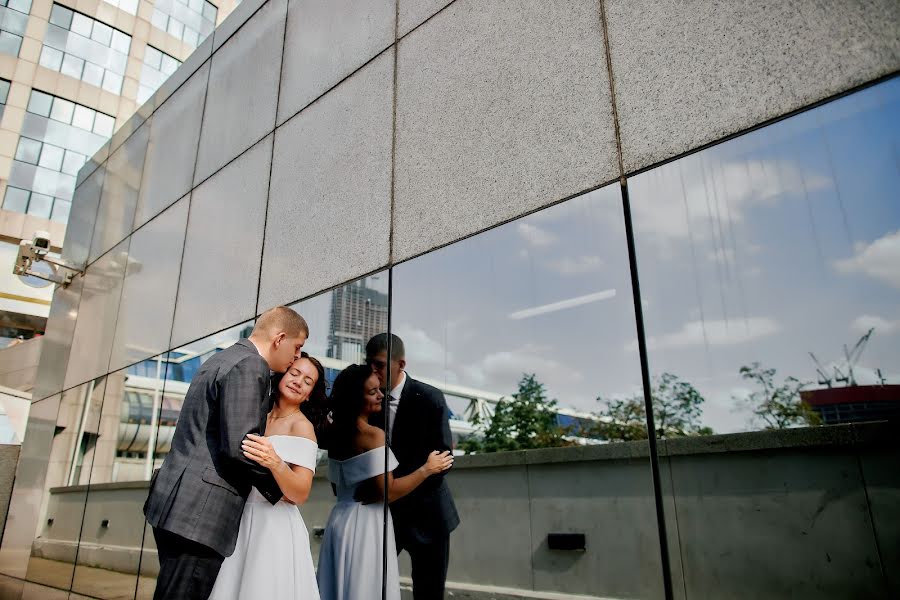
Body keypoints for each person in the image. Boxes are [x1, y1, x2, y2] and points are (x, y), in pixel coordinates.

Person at [143, 306, 309, 600]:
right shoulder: (251, 365)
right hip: (201, 515)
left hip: (175, 504)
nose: (296, 356)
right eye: (297, 347)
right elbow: (240, 447)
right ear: (279, 338)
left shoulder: (220, 358)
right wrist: (280, 490)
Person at [316, 364, 453, 600]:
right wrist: (427, 469)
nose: (381, 394)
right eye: (372, 392)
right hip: (367, 523)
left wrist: (373, 486)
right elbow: (388, 492)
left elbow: (343, 484)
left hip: (340, 520)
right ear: (355, 399)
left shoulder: (335, 432)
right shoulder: (373, 435)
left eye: (379, 389)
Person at [209, 352, 328, 600]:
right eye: (295, 373)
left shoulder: (302, 427)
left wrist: (276, 463)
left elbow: (300, 493)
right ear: (283, 375)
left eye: (308, 381)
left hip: (273, 525)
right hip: (241, 518)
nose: (298, 381)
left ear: (309, 394)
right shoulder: (257, 417)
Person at [366, 333, 460, 600]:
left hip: (429, 517)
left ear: (401, 364)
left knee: (428, 594)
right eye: (369, 364)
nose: (373, 371)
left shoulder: (430, 398)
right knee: (373, 589)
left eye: (380, 364)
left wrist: (398, 488)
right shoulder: (369, 401)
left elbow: (444, 458)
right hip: (382, 516)